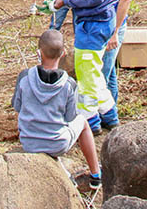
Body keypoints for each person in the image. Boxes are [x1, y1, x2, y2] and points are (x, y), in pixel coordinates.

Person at [12, 29, 102, 190]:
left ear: (39, 52)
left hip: (28, 142)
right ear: (63, 53)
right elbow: (70, 118)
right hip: (57, 143)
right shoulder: (69, 84)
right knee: (82, 122)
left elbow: (17, 108)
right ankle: (96, 175)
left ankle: (63, 173)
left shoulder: (24, 77)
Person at [54, 0, 119, 132]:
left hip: (95, 22)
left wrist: (68, 0)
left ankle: (89, 122)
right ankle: (110, 115)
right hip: (95, 21)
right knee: (93, 73)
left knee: (85, 75)